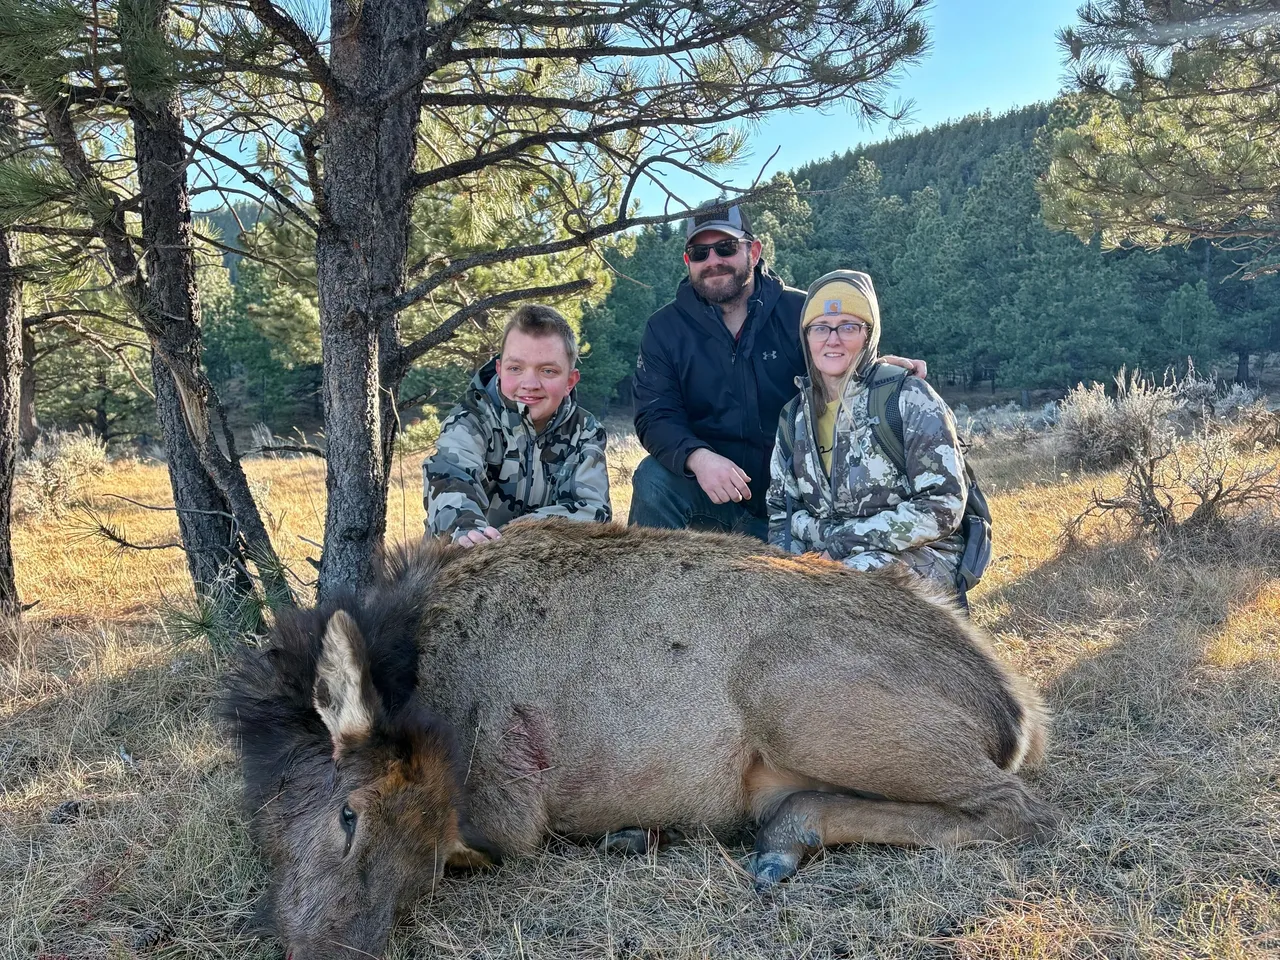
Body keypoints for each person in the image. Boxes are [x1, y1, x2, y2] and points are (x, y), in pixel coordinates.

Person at [628, 202, 925, 540]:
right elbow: (654, 415)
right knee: (653, 478)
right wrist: (698, 458)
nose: (713, 262)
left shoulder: (800, 313)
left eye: (726, 248)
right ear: (688, 261)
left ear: (753, 251)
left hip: (798, 499)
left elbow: (838, 360)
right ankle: (648, 590)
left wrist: (878, 369)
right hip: (712, 495)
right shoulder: (664, 329)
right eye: (699, 253)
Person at [767, 269, 968, 595]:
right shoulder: (794, 417)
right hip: (823, 561)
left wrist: (842, 544)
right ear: (807, 338)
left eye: (848, 327)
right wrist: (788, 569)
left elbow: (943, 506)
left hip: (917, 555)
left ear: (868, 335)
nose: (833, 339)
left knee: (842, 585)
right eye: (820, 328)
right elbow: (781, 513)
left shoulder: (907, 397)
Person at [423, 304, 611, 547]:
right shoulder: (470, 421)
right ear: (500, 370)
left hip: (546, 563)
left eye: (548, 371)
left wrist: (512, 536)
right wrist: (467, 528)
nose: (530, 383)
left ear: (570, 381)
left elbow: (594, 512)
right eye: (515, 368)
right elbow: (450, 478)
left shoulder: (586, 431)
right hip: (470, 559)